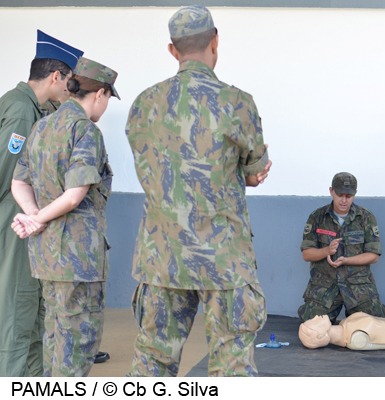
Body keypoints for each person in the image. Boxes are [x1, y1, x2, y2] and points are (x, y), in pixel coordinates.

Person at [125, 5, 271, 377]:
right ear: (215, 41)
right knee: (231, 364)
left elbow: (150, 165)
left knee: (152, 363)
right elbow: (255, 172)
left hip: (162, 258)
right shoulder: (237, 102)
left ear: (172, 50)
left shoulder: (143, 104)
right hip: (223, 258)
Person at [10, 57, 119, 377]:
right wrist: (39, 217)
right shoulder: (85, 131)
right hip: (78, 258)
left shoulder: (42, 125)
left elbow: (19, 182)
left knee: (55, 337)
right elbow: (74, 195)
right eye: (108, 98)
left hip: (46, 254)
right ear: (99, 93)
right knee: (78, 343)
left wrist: (32, 216)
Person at [0, 30, 82, 377]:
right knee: (18, 307)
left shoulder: (30, 106)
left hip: (24, 219)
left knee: (31, 307)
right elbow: (6, 173)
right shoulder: (21, 112)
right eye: (70, 82)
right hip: (14, 219)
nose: (72, 90)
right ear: (55, 77)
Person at [298, 172, 385, 324]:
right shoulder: (317, 217)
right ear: (331, 191)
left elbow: (373, 255)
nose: (344, 200)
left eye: (349, 196)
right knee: (312, 327)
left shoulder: (365, 218)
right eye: (340, 194)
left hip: (358, 287)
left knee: (375, 325)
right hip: (325, 286)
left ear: (355, 194)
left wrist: (347, 260)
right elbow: (307, 254)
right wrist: (326, 251)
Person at [299, 312, 385, 350]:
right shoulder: (354, 339)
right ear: (320, 336)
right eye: (313, 321)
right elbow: (382, 337)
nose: (316, 317)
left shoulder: (345, 326)